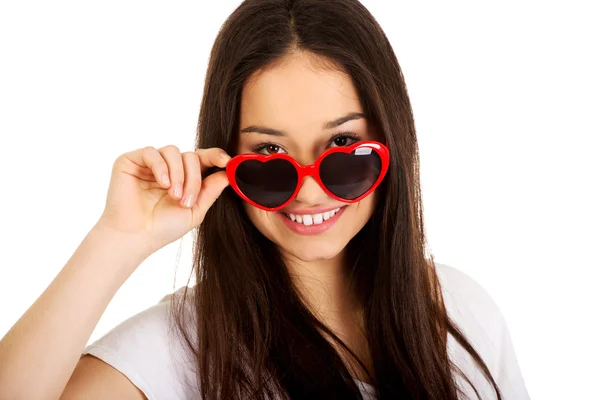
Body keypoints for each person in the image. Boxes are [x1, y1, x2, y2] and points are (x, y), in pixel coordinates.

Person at [0, 0, 530, 399]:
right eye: (270, 152)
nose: (308, 189)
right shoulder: (181, 347)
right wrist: (116, 241)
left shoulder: (463, 311)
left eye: (343, 146)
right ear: (227, 159)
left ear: (392, 143)